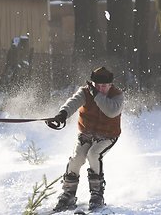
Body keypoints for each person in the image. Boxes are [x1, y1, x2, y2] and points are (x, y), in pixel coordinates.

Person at [46, 67, 124, 212]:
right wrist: (62, 114)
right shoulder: (85, 92)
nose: (101, 88)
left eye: (104, 86)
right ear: (93, 83)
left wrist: (96, 95)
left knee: (94, 154)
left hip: (108, 136)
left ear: (110, 85)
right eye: (98, 85)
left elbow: (111, 111)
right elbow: (72, 103)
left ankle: (97, 195)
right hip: (86, 134)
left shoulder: (117, 95)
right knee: (77, 159)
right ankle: (68, 194)